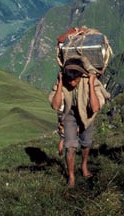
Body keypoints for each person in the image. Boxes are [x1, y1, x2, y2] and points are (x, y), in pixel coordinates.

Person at [49, 56, 108, 187]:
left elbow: (95, 107)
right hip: (69, 114)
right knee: (70, 146)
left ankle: (84, 165)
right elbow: (55, 105)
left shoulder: (89, 81)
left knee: (86, 142)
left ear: (81, 76)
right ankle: (71, 176)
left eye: (75, 80)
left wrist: (91, 84)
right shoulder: (63, 81)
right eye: (69, 80)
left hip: (87, 114)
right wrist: (59, 84)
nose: (72, 83)